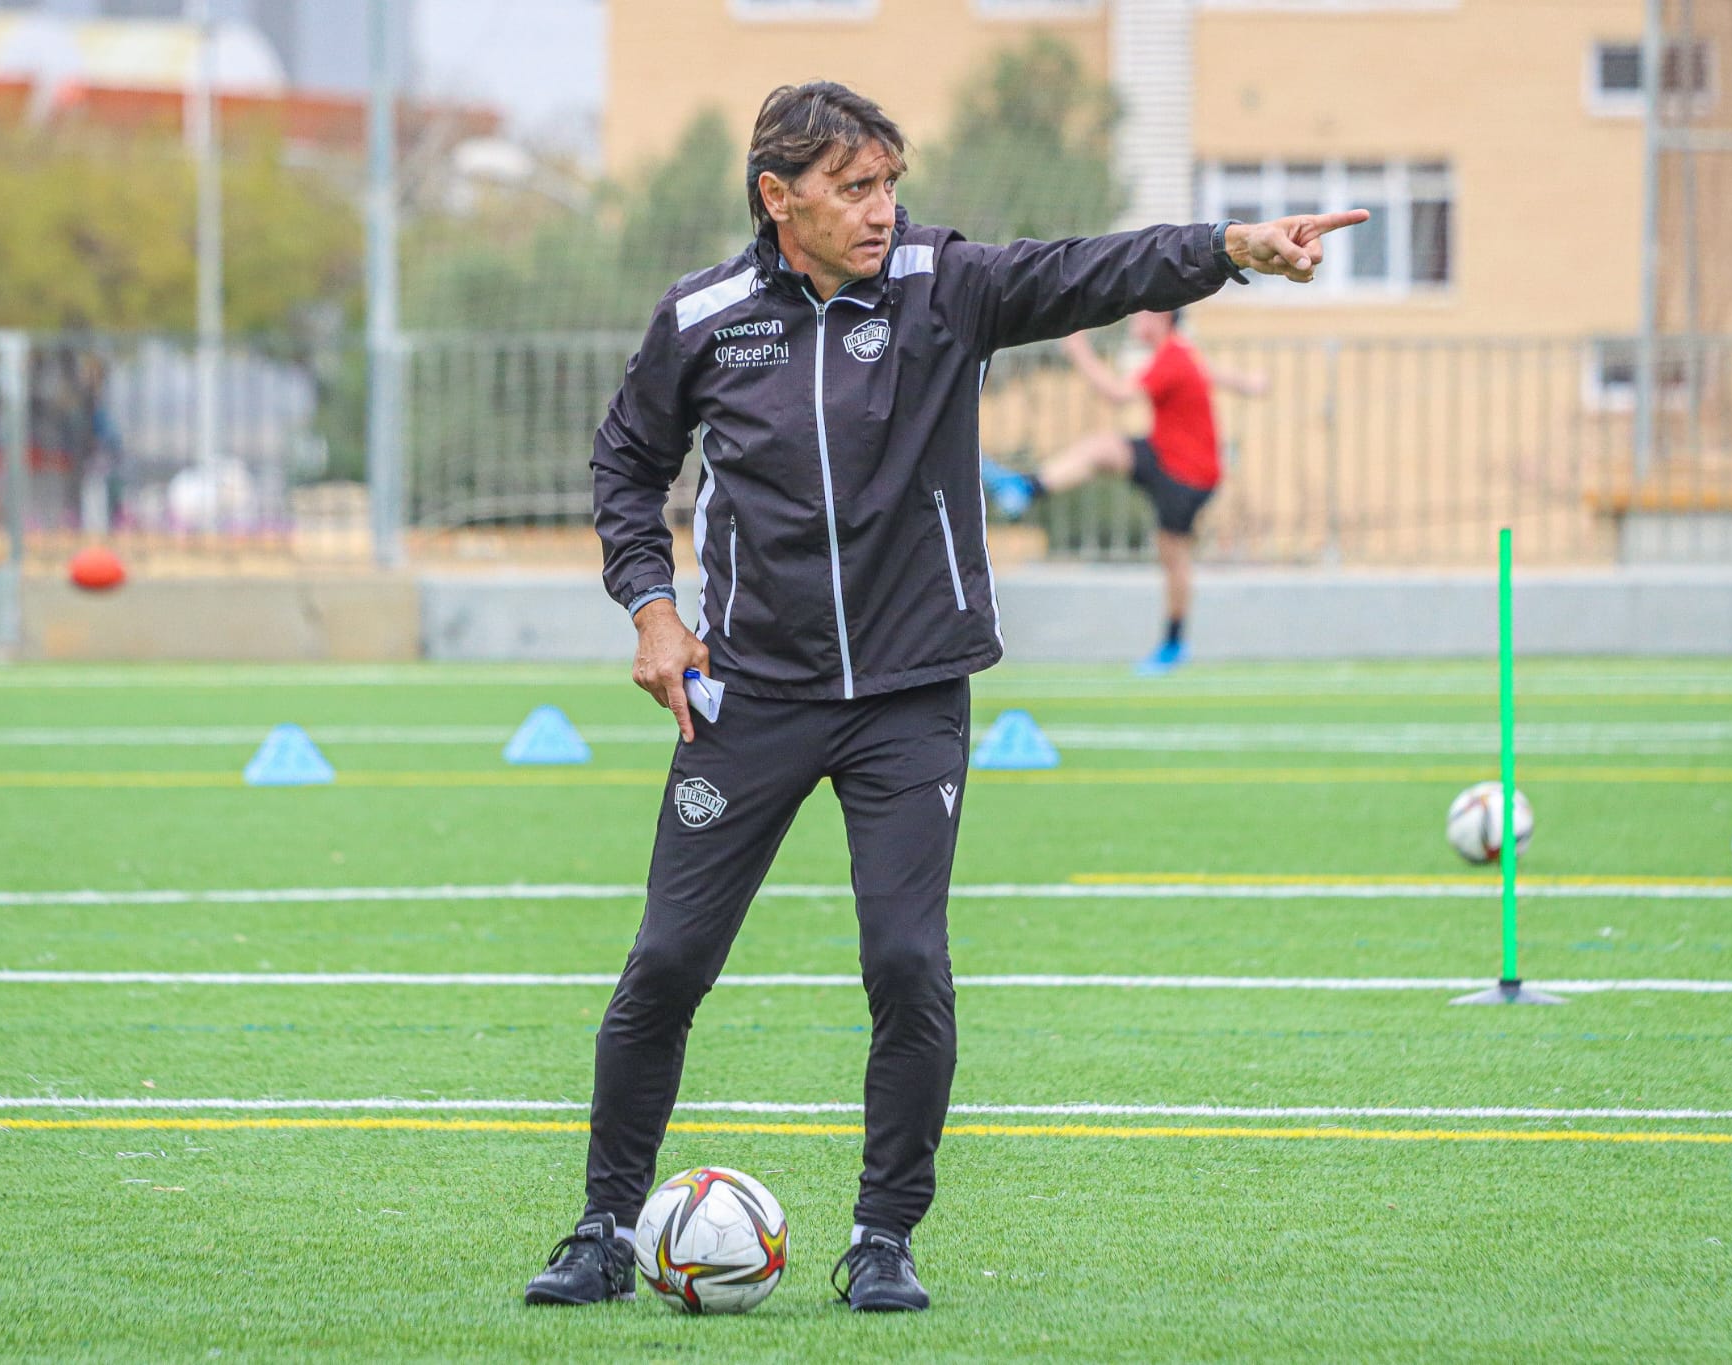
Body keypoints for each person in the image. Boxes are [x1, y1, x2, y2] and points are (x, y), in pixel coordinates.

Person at [523, 80, 1365, 1314]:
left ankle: (882, 1236)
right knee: (666, 961)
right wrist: (651, 606)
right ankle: (602, 1226)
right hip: (746, 691)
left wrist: (1229, 250)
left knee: (907, 961)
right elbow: (626, 464)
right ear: (778, 196)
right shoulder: (699, 318)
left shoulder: (940, 283)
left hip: (909, 696)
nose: (881, 210)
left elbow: (1085, 271)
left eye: (887, 184)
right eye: (851, 188)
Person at [983, 310, 1266, 672]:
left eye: (1143, 311)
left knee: (1173, 557)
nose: (1135, 318)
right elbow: (1209, 371)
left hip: (1186, 475)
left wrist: (1078, 349)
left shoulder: (1171, 357)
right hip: (1166, 455)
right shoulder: (1178, 351)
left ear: (1162, 317)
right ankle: (1025, 488)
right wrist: (1249, 384)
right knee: (1103, 449)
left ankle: (1174, 644)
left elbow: (1118, 395)